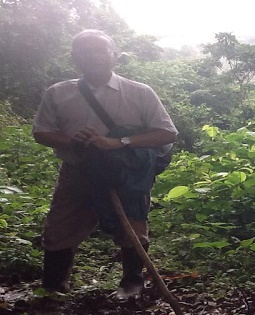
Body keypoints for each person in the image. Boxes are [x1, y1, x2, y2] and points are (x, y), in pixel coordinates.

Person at [32, 29, 178, 298]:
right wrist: (71, 141)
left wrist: (118, 142)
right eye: (85, 51)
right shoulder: (58, 93)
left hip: (126, 176)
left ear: (114, 56)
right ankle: (53, 286)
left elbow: (167, 133)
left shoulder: (139, 93)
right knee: (60, 226)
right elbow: (41, 131)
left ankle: (132, 284)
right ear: (75, 57)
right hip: (78, 173)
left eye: (100, 49)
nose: (94, 56)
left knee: (132, 227)